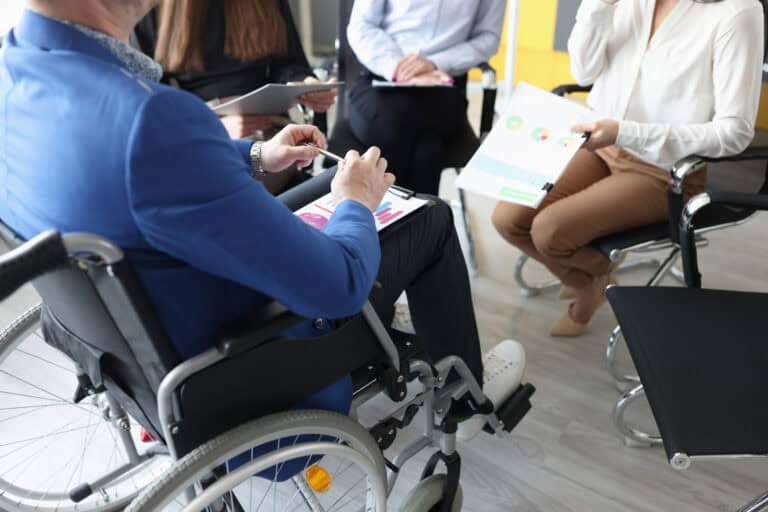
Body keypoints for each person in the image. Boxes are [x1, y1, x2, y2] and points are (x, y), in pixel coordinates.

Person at [0, 0, 525, 439]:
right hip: (244, 367)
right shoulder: (151, 119)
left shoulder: (20, 65)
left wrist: (254, 156)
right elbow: (338, 285)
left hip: (134, 337)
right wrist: (356, 203)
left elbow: (146, 176)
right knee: (426, 214)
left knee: (331, 183)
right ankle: (466, 390)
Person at [492, 0, 764, 337]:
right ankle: (591, 279)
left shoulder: (737, 12)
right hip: (600, 146)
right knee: (507, 219)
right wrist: (599, 5)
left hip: (663, 171)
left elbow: (734, 133)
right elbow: (583, 72)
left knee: (550, 231)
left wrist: (626, 131)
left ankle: (587, 286)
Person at [134, 0, 336, 193]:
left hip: (267, 122)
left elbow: (287, 63)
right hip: (196, 125)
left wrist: (305, 83)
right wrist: (211, 127)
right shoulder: (148, 7)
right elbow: (152, 104)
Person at [346, 0, 507, 195]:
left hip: (442, 85)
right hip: (380, 76)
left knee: (401, 125)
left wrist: (435, 63)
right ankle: (424, 222)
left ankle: (383, 218)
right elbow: (362, 25)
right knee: (428, 149)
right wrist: (396, 66)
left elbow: (488, 38)